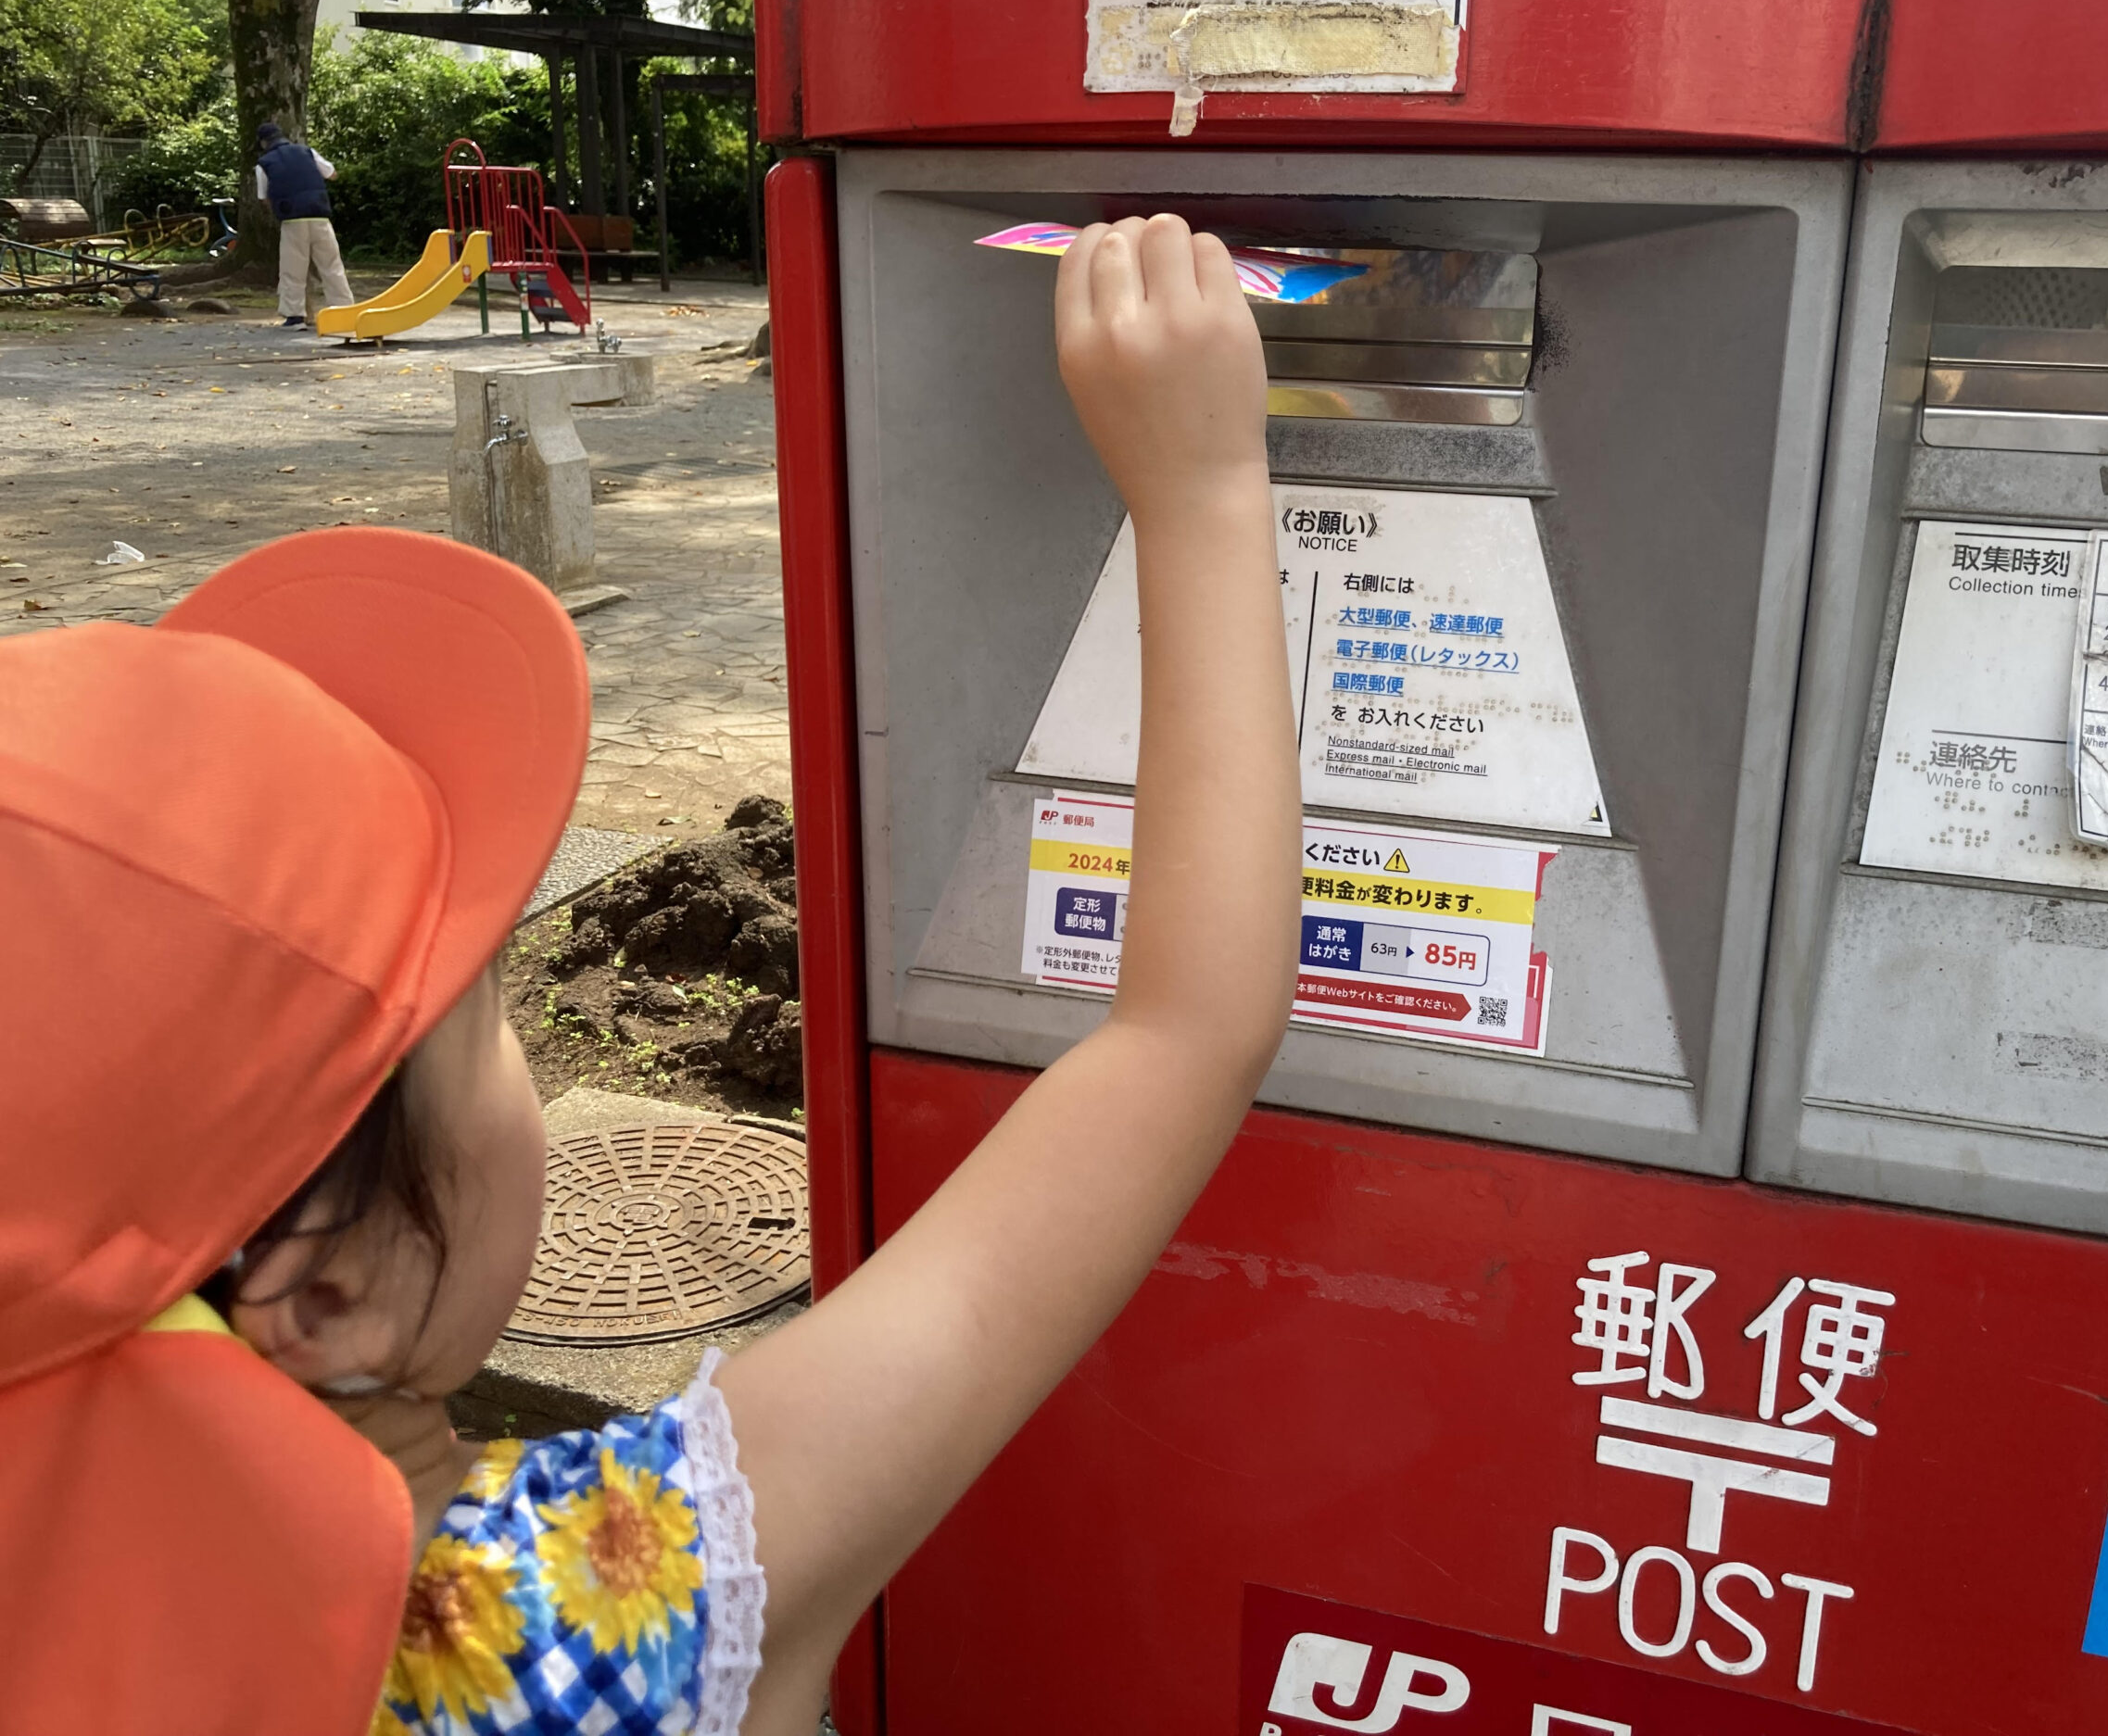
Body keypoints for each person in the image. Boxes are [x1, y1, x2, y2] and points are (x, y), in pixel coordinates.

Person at [0, 213, 1299, 1734]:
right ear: (330, 1292)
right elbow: (1182, 1038)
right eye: (488, 1010)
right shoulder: (596, 1603)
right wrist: (1205, 486)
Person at [256, 118, 357, 327]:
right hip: (319, 214)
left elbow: (264, 198)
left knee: (293, 268)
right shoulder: (307, 151)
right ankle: (345, 310)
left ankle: (295, 317)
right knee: (331, 265)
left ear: (263, 143)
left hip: (293, 219)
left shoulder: (264, 164)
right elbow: (332, 174)